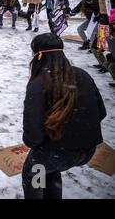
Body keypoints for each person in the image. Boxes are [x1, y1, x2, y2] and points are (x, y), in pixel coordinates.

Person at [22, 33, 106, 199]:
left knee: (35, 171)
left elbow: (32, 136)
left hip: (57, 153)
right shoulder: (83, 75)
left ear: (38, 56)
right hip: (87, 150)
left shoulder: (39, 83)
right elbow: (101, 112)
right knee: (50, 169)